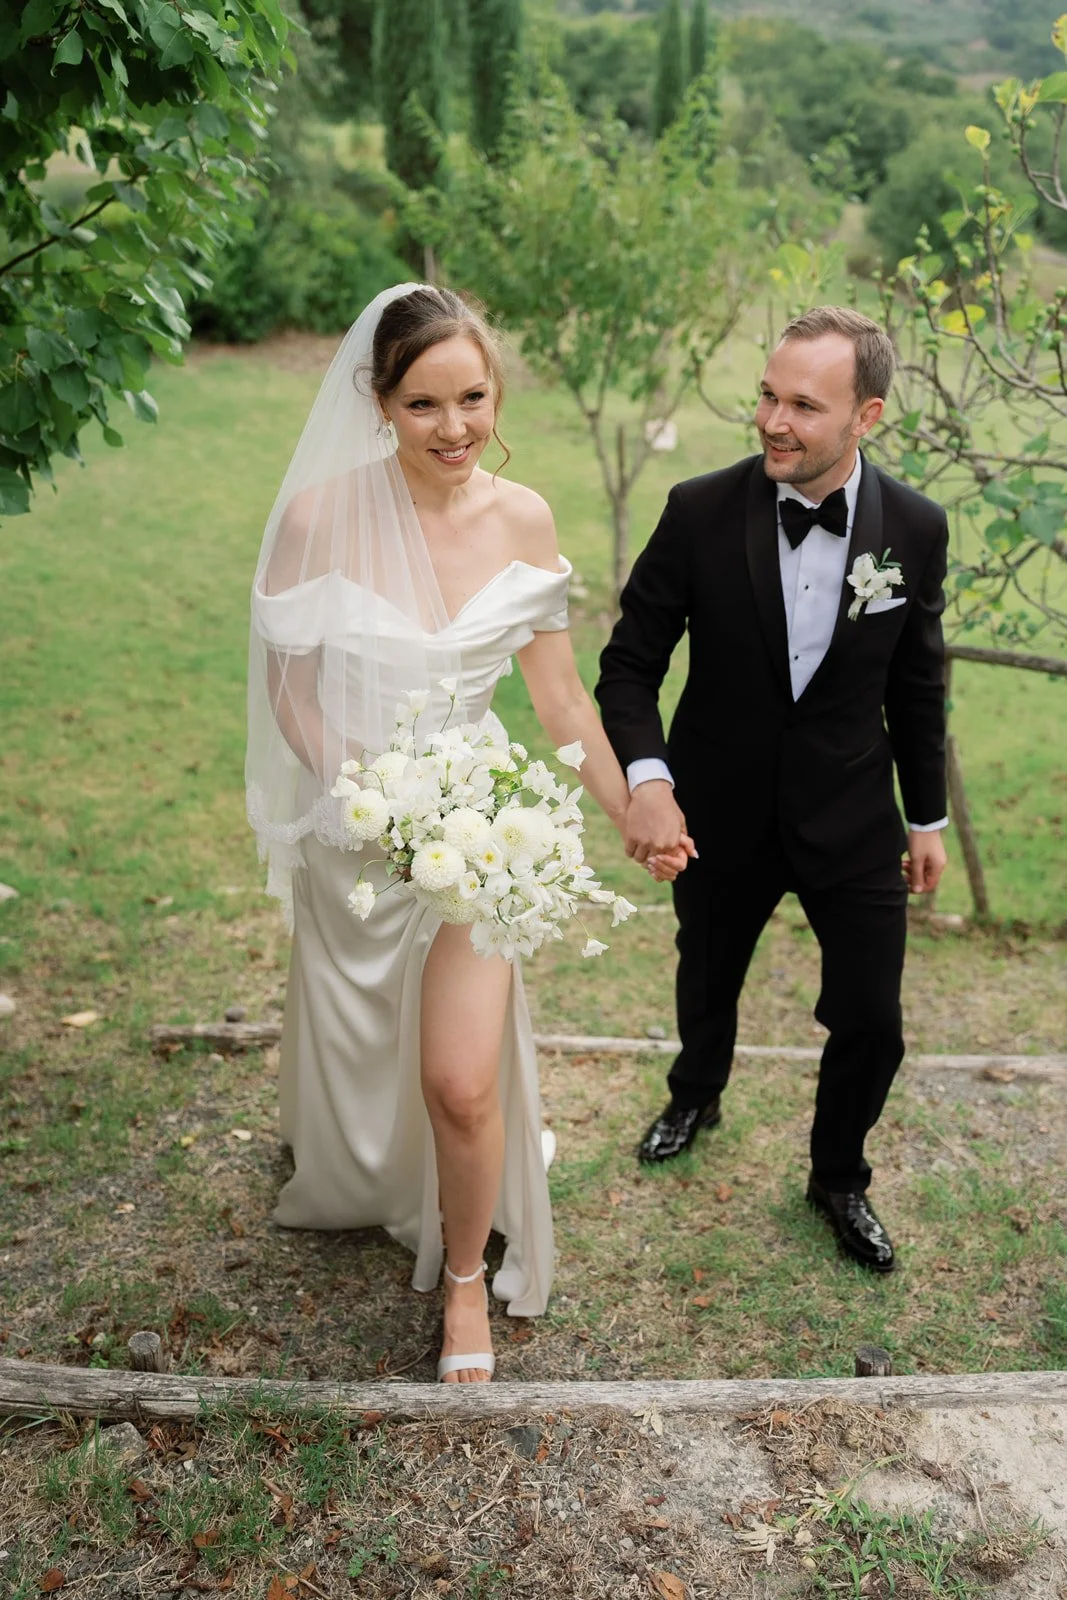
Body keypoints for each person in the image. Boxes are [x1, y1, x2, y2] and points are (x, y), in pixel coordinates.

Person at [246, 284, 686, 1383]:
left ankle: (460, 1283)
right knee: (361, 1044)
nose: (454, 428)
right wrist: (365, 796)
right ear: (378, 401)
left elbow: (560, 702)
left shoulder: (522, 518)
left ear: (496, 391)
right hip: (359, 827)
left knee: (459, 1080)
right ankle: (367, 1173)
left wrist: (631, 805)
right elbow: (288, 688)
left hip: (478, 839)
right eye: (423, 404)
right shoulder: (316, 520)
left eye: (473, 398)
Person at [595, 306, 949, 1273]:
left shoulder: (914, 528)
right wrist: (649, 781)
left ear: (866, 416)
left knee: (871, 1019)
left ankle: (837, 1176)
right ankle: (695, 1094)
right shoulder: (698, 510)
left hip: (852, 814)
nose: (772, 421)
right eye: (766, 395)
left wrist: (925, 816)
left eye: (802, 405)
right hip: (715, 808)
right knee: (707, 974)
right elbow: (628, 666)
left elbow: (918, 683)